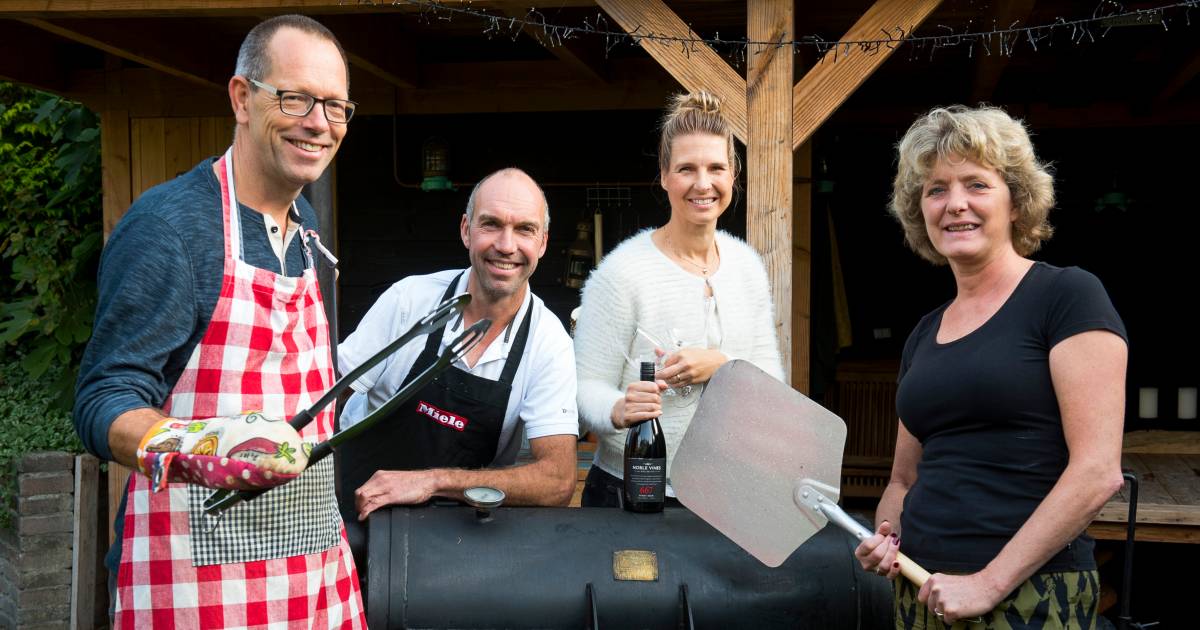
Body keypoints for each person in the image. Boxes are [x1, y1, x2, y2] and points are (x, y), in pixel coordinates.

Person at [74, 15, 365, 627]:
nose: (318, 123)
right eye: (296, 98)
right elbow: (103, 397)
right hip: (195, 584)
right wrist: (200, 445)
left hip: (311, 569)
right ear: (241, 97)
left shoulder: (309, 229)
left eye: (336, 107)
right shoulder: (171, 228)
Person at [853, 105, 1127, 628]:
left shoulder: (1067, 296)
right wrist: (885, 536)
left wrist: (988, 583)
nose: (955, 204)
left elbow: (1097, 472)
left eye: (976, 184)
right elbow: (903, 480)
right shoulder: (923, 333)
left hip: (1030, 595)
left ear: (1016, 202)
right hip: (923, 590)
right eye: (936, 189)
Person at [573, 91, 785, 508]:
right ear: (665, 175)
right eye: (687, 169)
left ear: (733, 176)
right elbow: (583, 389)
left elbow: (772, 385)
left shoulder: (747, 267)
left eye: (716, 168)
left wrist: (722, 366)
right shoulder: (621, 273)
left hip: (726, 496)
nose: (702, 184)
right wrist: (619, 407)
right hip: (628, 491)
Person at [338, 168, 578, 520]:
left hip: (456, 535)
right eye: (491, 224)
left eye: (524, 229)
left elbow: (557, 481)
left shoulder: (548, 342)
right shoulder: (409, 302)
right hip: (352, 513)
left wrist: (433, 481)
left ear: (542, 242)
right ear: (466, 230)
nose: (506, 245)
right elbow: (328, 396)